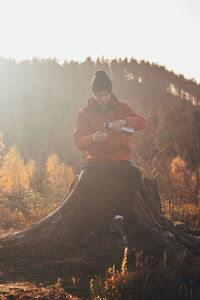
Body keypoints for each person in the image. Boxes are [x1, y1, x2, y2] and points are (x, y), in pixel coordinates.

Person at [73, 70, 147, 236]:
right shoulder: (84, 113)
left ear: (110, 93)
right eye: (99, 95)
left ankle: (119, 218)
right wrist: (92, 138)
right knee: (82, 184)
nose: (103, 99)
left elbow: (143, 122)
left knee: (134, 173)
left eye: (106, 95)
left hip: (120, 161)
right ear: (94, 94)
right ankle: (89, 229)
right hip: (96, 162)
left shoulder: (123, 108)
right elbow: (78, 141)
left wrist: (125, 121)